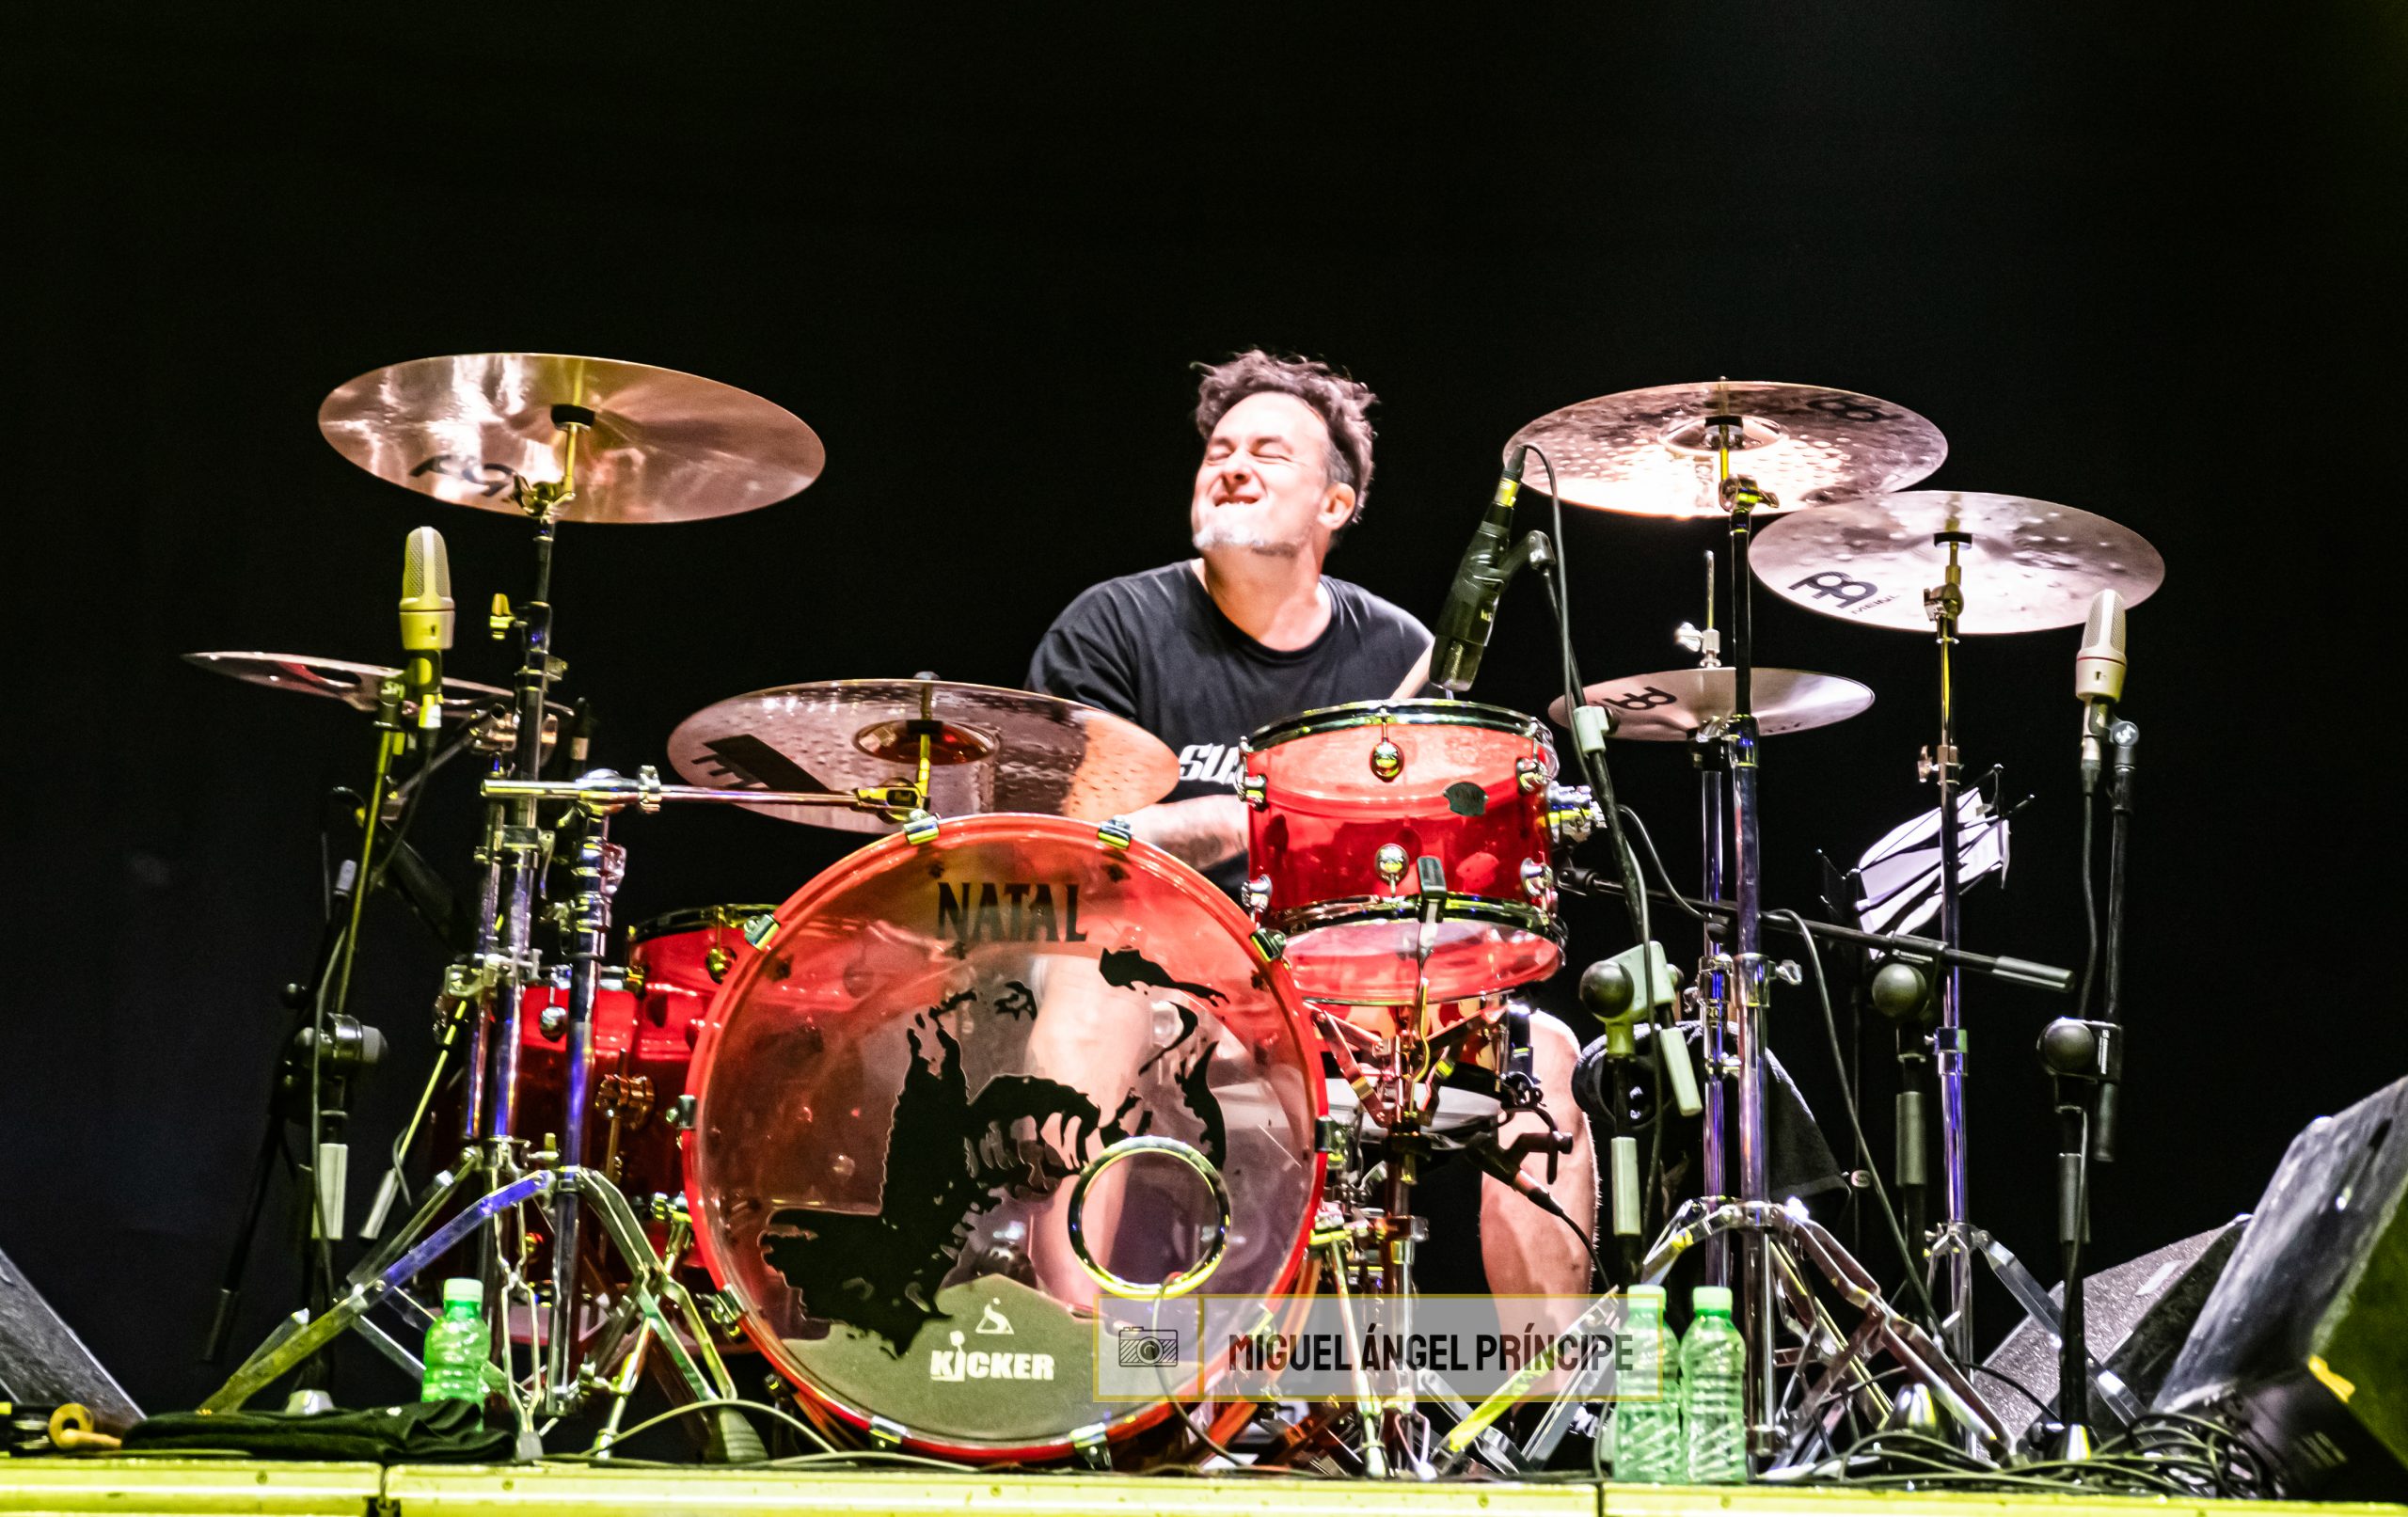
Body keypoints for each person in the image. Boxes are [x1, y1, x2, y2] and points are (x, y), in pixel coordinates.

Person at [1026, 351, 1595, 1299]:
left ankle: (1546, 1384)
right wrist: (1253, 811)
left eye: (1268, 452)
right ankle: (1068, 1342)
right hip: (1155, 973)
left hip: (1339, 994)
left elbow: (1427, 874)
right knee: (1092, 987)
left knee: (1543, 1052)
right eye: (1218, 450)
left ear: (1335, 504)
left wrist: (1406, 994)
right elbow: (1070, 849)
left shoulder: (1400, 652)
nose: (1232, 467)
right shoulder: (1113, 627)